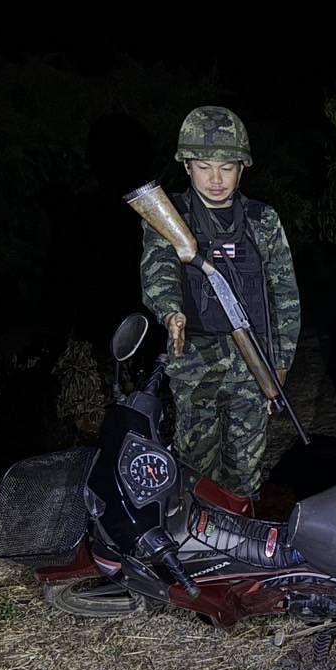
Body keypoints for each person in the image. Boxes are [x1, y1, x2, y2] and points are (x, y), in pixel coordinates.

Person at [140, 106, 300, 503]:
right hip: (194, 362)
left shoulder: (262, 220)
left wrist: (280, 363)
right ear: (187, 166)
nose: (215, 179)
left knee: (245, 470)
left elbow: (285, 296)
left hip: (252, 361)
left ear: (241, 169)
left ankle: (240, 532)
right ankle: (198, 535)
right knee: (195, 468)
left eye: (226, 168)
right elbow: (158, 274)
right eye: (204, 167)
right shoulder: (170, 218)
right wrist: (171, 312)